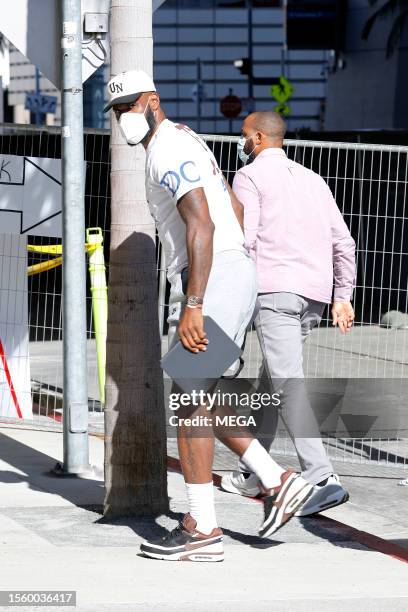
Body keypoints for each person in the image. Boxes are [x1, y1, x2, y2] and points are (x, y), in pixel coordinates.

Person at [104, 72, 313, 562]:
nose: (123, 119)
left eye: (130, 107)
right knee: (201, 400)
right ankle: (275, 481)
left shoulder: (167, 150)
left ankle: (204, 530)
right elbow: (233, 209)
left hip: (212, 280)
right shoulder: (185, 140)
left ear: (152, 102)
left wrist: (194, 303)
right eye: (116, 112)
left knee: (189, 404)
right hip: (228, 273)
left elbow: (203, 222)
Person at [221, 111, 356, 516]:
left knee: (287, 385)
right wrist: (342, 296)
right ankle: (254, 473)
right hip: (312, 295)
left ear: (259, 138)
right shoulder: (314, 180)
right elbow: (344, 242)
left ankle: (321, 476)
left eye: (244, 135)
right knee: (273, 381)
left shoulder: (249, 177)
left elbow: (245, 239)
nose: (241, 141)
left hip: (273, 290)